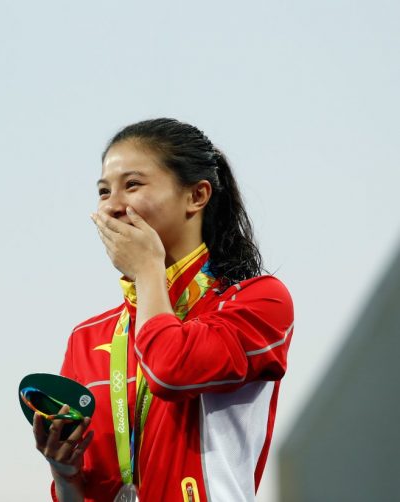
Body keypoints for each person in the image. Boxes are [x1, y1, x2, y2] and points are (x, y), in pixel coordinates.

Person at [32, 118, 294, 501]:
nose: (113, 206)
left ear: (196, 196)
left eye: (132, 185)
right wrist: (66, 473)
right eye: (104, 192)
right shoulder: (88, 338)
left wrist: (147, 269)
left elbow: (171, 371)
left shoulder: (258, 302)